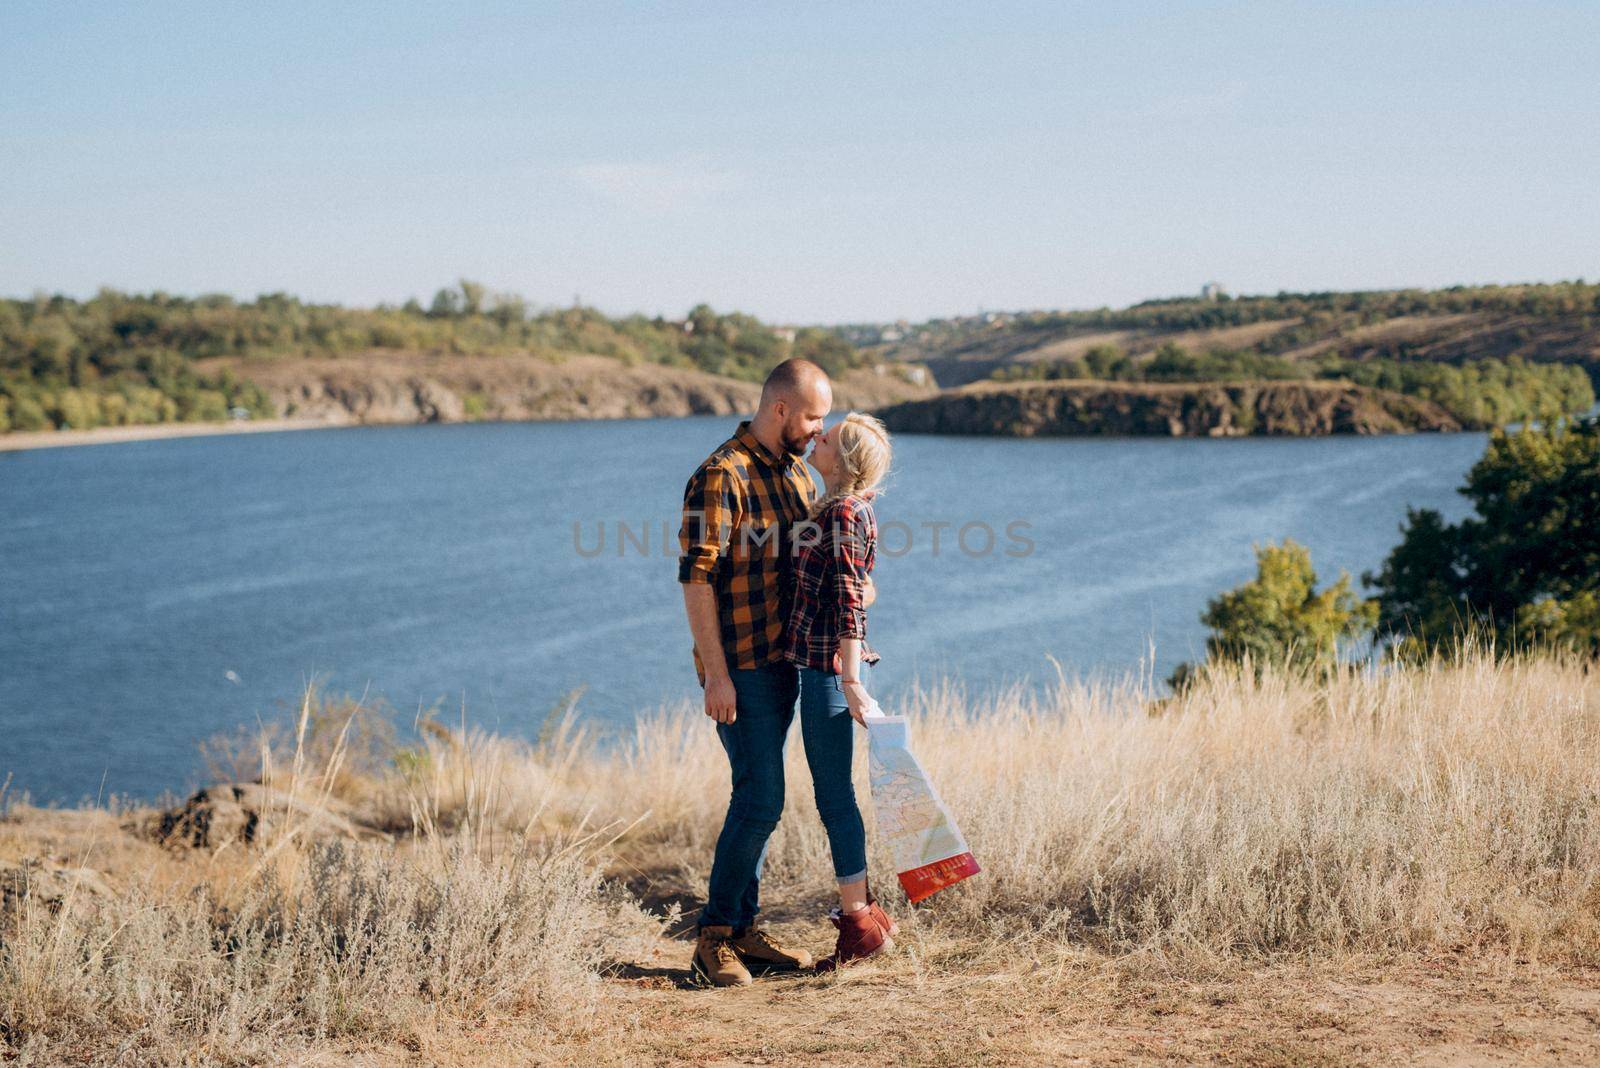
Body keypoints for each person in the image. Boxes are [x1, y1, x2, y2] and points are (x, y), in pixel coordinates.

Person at [677, 357, 834, 988]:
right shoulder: (720, 476)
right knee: (762, 797)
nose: (821, 429)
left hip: (785, 663)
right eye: (815, 416)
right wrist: (716, 673)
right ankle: (714, 936)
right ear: (781, 410)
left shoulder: (797, 474)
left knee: (759, 799)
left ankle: (744, 930)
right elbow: (696, 580)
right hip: (739, 669)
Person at [781, 412, 898, 971]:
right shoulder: (836, 509)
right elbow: (860, 586)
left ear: (843, 460)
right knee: (838, 795)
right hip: (829, 668)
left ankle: (857, 926)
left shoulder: (846, 512)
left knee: (834, 797)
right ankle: (868, 915)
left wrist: (850, 681)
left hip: (832, 674)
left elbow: (853, 599)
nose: (816, 436)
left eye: (825, 438)